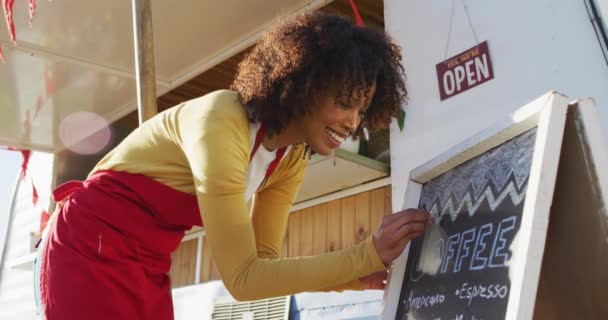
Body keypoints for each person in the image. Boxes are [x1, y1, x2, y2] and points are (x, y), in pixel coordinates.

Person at [33, 11, 432, 320]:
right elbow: (242, 278)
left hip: (147, 263)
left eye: (362, 109)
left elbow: (265, 264)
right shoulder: (221, 122)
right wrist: (366, 254)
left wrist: (350, 278)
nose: (352, 122)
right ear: (304, 83)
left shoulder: (290, 158)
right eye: (345, 102)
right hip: (87, 248)